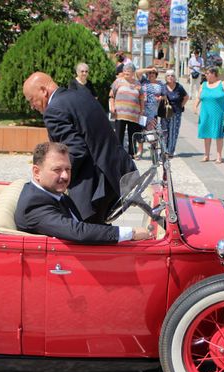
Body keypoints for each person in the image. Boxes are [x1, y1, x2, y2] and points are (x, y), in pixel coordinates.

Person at [23, 72, 136, 223]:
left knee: (82, 237)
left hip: (95, 188)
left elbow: (75, 150)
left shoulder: (54, 110)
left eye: (31, 100)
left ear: (43, 91)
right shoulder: (80, 95)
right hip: (118, 173)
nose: (32, 106)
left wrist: (52, 178)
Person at [15, 142, 151, 243]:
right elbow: (77, 232)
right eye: (57, 170)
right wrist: (131, 233)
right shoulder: (34, 204)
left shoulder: (53, 193)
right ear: (37, 172)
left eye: (68, 169)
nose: (65, 176)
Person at [194, 66, 224, 164]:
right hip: (205, 113)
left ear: (214, 74)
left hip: (218, 113)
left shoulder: (222, 84)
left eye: (207, 73)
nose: (205, 75)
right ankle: (206, 155)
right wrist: (195, 107)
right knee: (206, 134)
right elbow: (199, 97)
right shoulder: (204, 84)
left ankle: (219, 156)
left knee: (218, 134)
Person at [109, 63, 144, 160]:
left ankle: (132, 153)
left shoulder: (137, 83)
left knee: (132, 134)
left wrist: (142, 110)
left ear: (133, 73)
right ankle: (118, 154)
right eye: (125, 71)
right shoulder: (118, 82)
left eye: (128, 71)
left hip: (134, 114)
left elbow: (141, 98)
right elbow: (111, 96)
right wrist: (112, 106)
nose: (126, 73)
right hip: (120, 113)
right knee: (119, 134)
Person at [136, 67, 164, 159]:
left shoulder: (160, 84)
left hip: (153, 112)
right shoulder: (144, 81)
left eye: (153, 73)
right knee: (141, 131)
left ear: (156, 74)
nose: (151, 74)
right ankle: (140, 151)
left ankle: (154, 151)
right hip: (142, 111)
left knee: (153, 132)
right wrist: (149, 69)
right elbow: (138, 72)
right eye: (150, 73)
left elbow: (164, 96)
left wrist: (160, 98)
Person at [160, 70, 189, 158]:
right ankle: (164, 151)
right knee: (164, 132)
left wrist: (181, 106)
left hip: (176, 113)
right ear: (166, 77)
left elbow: (186, 97)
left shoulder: (179, 87)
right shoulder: (163, 87)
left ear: (175, 77)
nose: (170, 77)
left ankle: (170, 151)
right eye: (168, 75)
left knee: (173, 132)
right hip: (165, 113)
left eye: (172, 75)